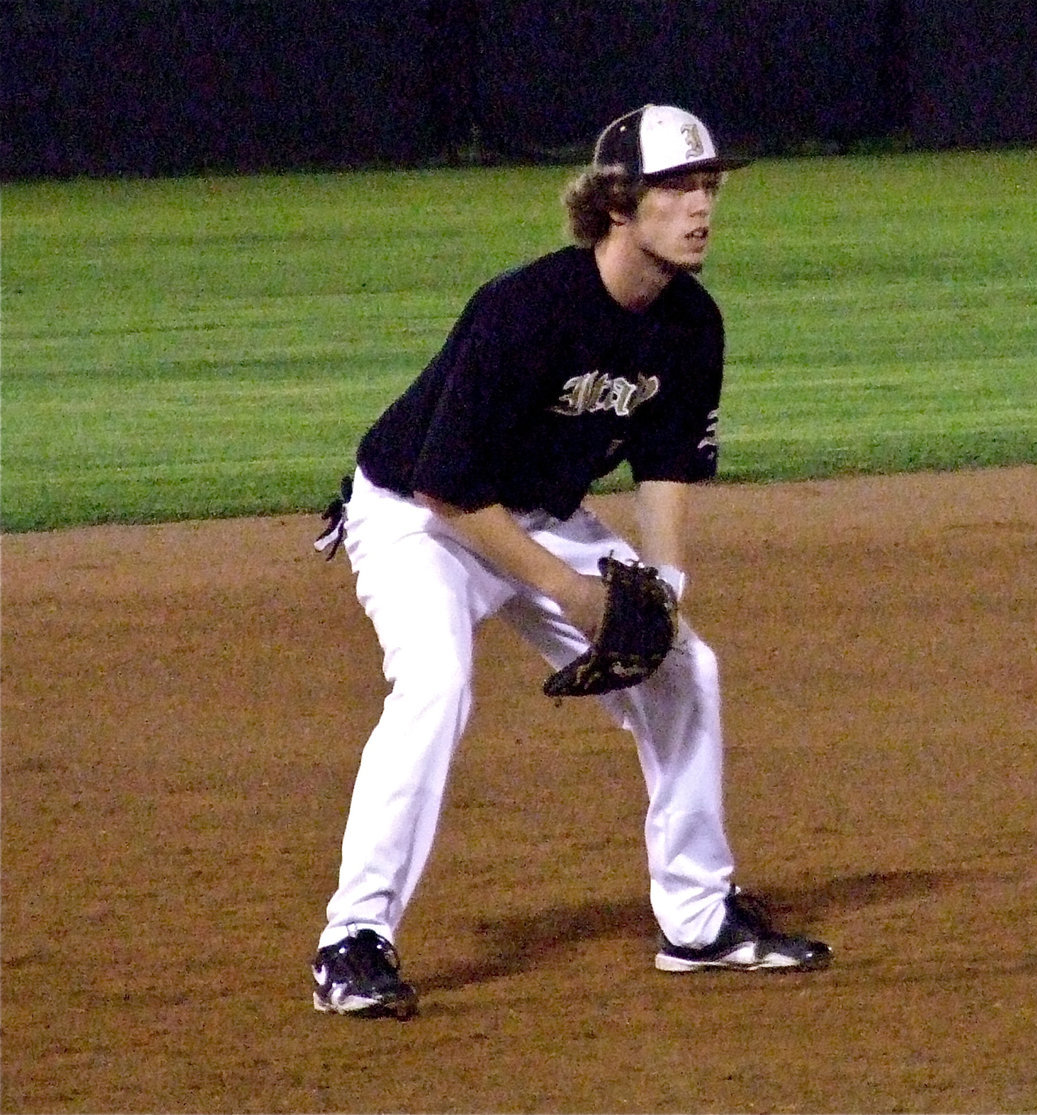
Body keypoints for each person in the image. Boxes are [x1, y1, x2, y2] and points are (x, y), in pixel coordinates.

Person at [311, 104, 832, 1019]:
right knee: (437, 682)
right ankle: (353, 940)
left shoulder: (692, 326)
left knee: (685, 671)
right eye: (678, 187)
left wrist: (661, 595)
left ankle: (699, 919)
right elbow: (447, 484)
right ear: (619, 203)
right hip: (415, 514)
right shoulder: (526, 308)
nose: (702, 205)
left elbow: (665, 470)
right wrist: (573, 593)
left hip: (540, 513)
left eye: (708, 185)